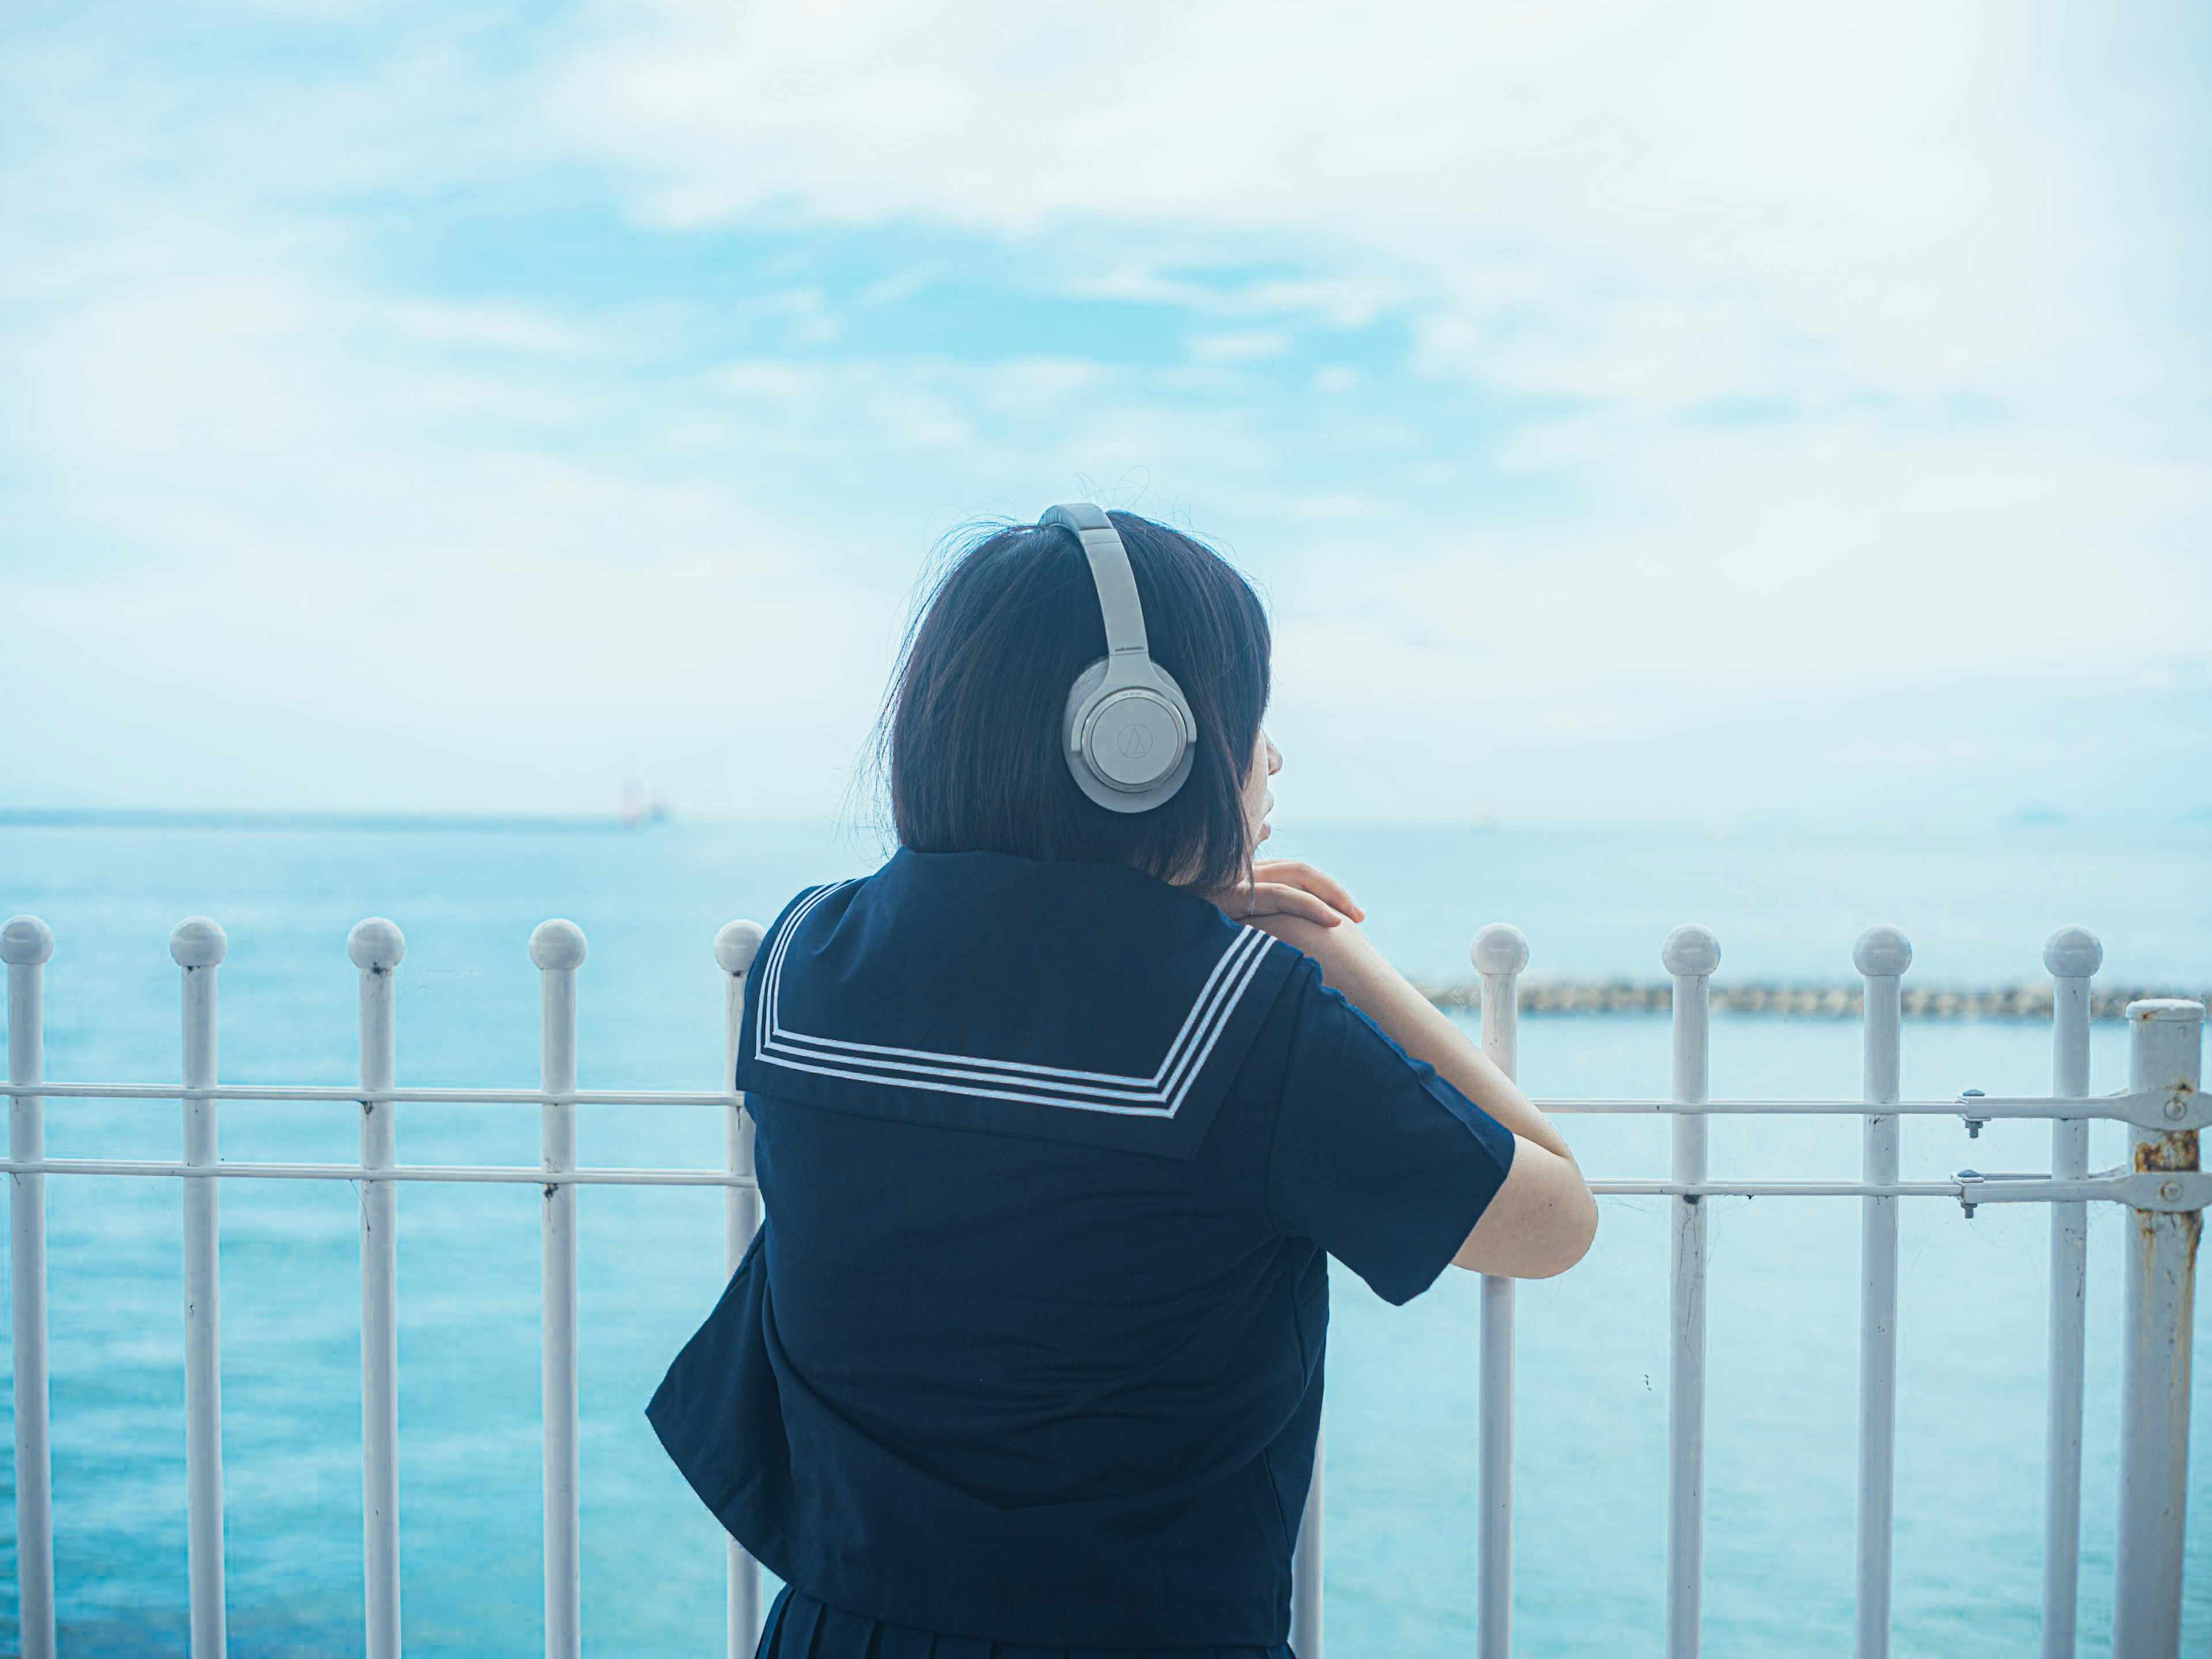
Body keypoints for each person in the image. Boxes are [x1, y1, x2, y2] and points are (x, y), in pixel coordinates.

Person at [649, 506, 1597, 1658]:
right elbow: (1553, 1218)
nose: (1272, 756)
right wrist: (1330, 953)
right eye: (1249, 717)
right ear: (1138, 745)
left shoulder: (801, 965)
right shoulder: (1238, 1017)